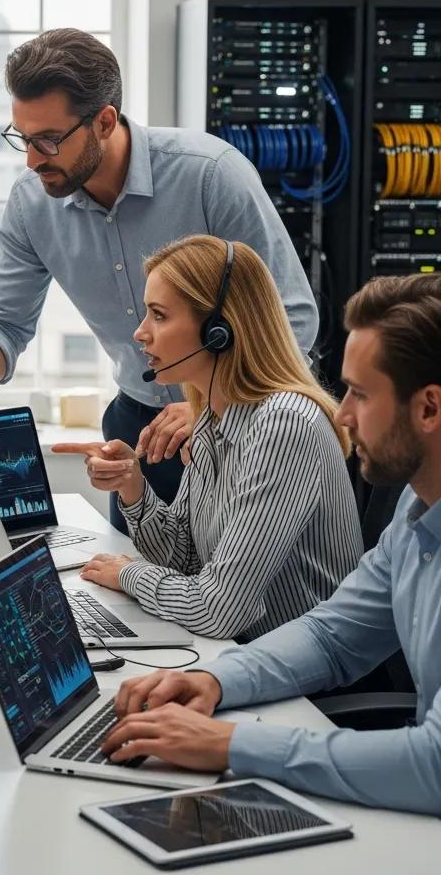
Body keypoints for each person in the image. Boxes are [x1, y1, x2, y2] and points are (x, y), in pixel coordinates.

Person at [0, 29, 317, 532]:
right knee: (129, 575)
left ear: (104, 121)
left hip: (241, 421)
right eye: (22, 139)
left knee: (231, 580)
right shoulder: (31, 203)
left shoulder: (210, 175)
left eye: (48, 140)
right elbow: (3, 317)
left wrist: (215, 405)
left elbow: (293, 315)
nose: (32, 160)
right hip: (137, 426)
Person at [99, 273, 441, 816]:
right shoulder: (416, 510)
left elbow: (434, 765)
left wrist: (232, 745)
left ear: (429, 409)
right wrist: (211, 680)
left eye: (360, 393)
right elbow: (332, 635)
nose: (342, 415)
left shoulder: (285, 424)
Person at [53, 236, 360, 641]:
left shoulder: (284, 425)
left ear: (220, 331)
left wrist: (128, 574)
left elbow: (220, 610)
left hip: (303, 671)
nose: (140, 333)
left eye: (159, 316)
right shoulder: (213, 418)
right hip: (245, 652)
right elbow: (185, 557)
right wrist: (132, 486)